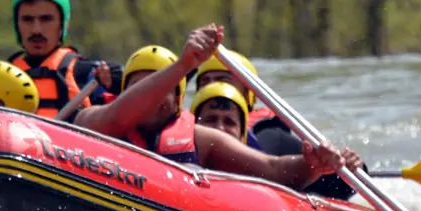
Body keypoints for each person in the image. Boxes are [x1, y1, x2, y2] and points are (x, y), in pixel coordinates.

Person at [71, 26, 365, 190]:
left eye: (162, 89)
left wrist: (312, 166)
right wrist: (184, 65)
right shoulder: (91, 119)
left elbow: (271, 169)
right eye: (139, 87)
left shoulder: (203, 138)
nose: (151, 97)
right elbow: (121, 115)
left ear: (178, 102)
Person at [194, 51, 359, 200]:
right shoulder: (188, 130)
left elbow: (333, 184)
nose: (212, 87)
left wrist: (347, 167)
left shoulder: (268, 136)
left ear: (248, 93)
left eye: (223, 80)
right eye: (205, 82)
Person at [7, 0, 122, 120]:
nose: (36, 30)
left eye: (46, 19)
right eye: (27, 20)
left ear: (63, 25)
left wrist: (118, 82)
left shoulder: (90, 75)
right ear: (17, 25)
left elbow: (133, 100)